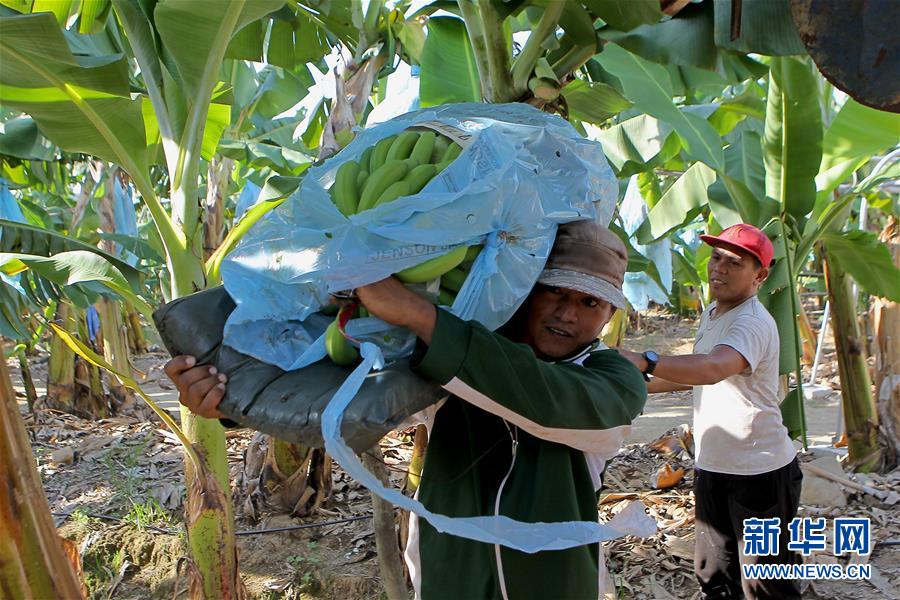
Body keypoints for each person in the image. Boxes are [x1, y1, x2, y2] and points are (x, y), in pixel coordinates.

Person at [165, 220, 647, 599]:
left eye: (590, 302)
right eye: (553, 292)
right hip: (446, 574)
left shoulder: (612, 379)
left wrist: (419, 314)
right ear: (524, 289)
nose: (568, 313)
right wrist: (232, 398)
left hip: (554, 584)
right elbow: (345, 392)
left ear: (610, 315)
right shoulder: (449, 352)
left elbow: (547, 400)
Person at [619, 223, 801, 600]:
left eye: (734, 262)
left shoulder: (751, 322)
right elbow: (699, 376)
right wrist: (630, 385)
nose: (719, 268)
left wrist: (644, 360)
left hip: (759, 473)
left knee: (766, 583)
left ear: (760, 276)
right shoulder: (716, 313)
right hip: (715, 467)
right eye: (716, 257)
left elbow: (713, 367)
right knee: (715, 575)